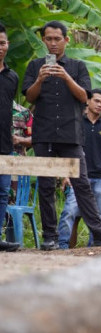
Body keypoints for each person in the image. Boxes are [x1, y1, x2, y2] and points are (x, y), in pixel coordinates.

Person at [22, 20, 101, 250]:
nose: (53, 43)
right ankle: (50, 237)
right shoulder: (35, 66)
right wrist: (41, 79)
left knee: (81, 184)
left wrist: (65, 76)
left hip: (71, 135)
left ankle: (100, 233)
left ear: (66, 40)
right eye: (48, 39)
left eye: (57, 39)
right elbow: (30, 97)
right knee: (45, 185)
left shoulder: (77, 66)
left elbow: (84, 96)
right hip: (43, 134)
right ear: (44, 40)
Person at [57, 89, 101, 249]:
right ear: (88, 101)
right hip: (77, 175)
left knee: (98, 216)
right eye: (96, 101)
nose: (99, 105)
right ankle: (61, 246)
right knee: (69, 211)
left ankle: (94, 247)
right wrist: (66, 174)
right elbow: (66, 149)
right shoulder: (75, 123)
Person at [0, 22, 19, 251]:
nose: (0, 47)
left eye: (2, 43)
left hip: (4, 143)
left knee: (2, 191)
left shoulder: (12, 77)